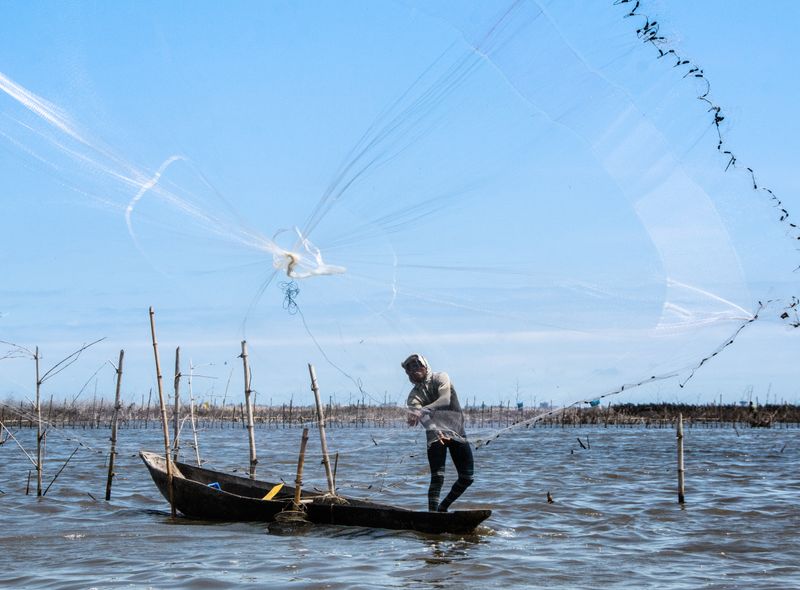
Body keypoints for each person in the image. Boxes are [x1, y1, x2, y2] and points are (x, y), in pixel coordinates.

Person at [402, 353, 474, 512]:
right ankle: (432, 515)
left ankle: (442, 508)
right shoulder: (413, 396)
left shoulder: (441, 377)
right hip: (435, 436)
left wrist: (423, 410)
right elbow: (423, 419)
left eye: (416, 365)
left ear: (425, 365)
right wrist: (435, 430)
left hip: (456, 431)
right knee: (437, 478)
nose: (414, 370)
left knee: (467, 477)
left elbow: (445, 399)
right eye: (409, 369)